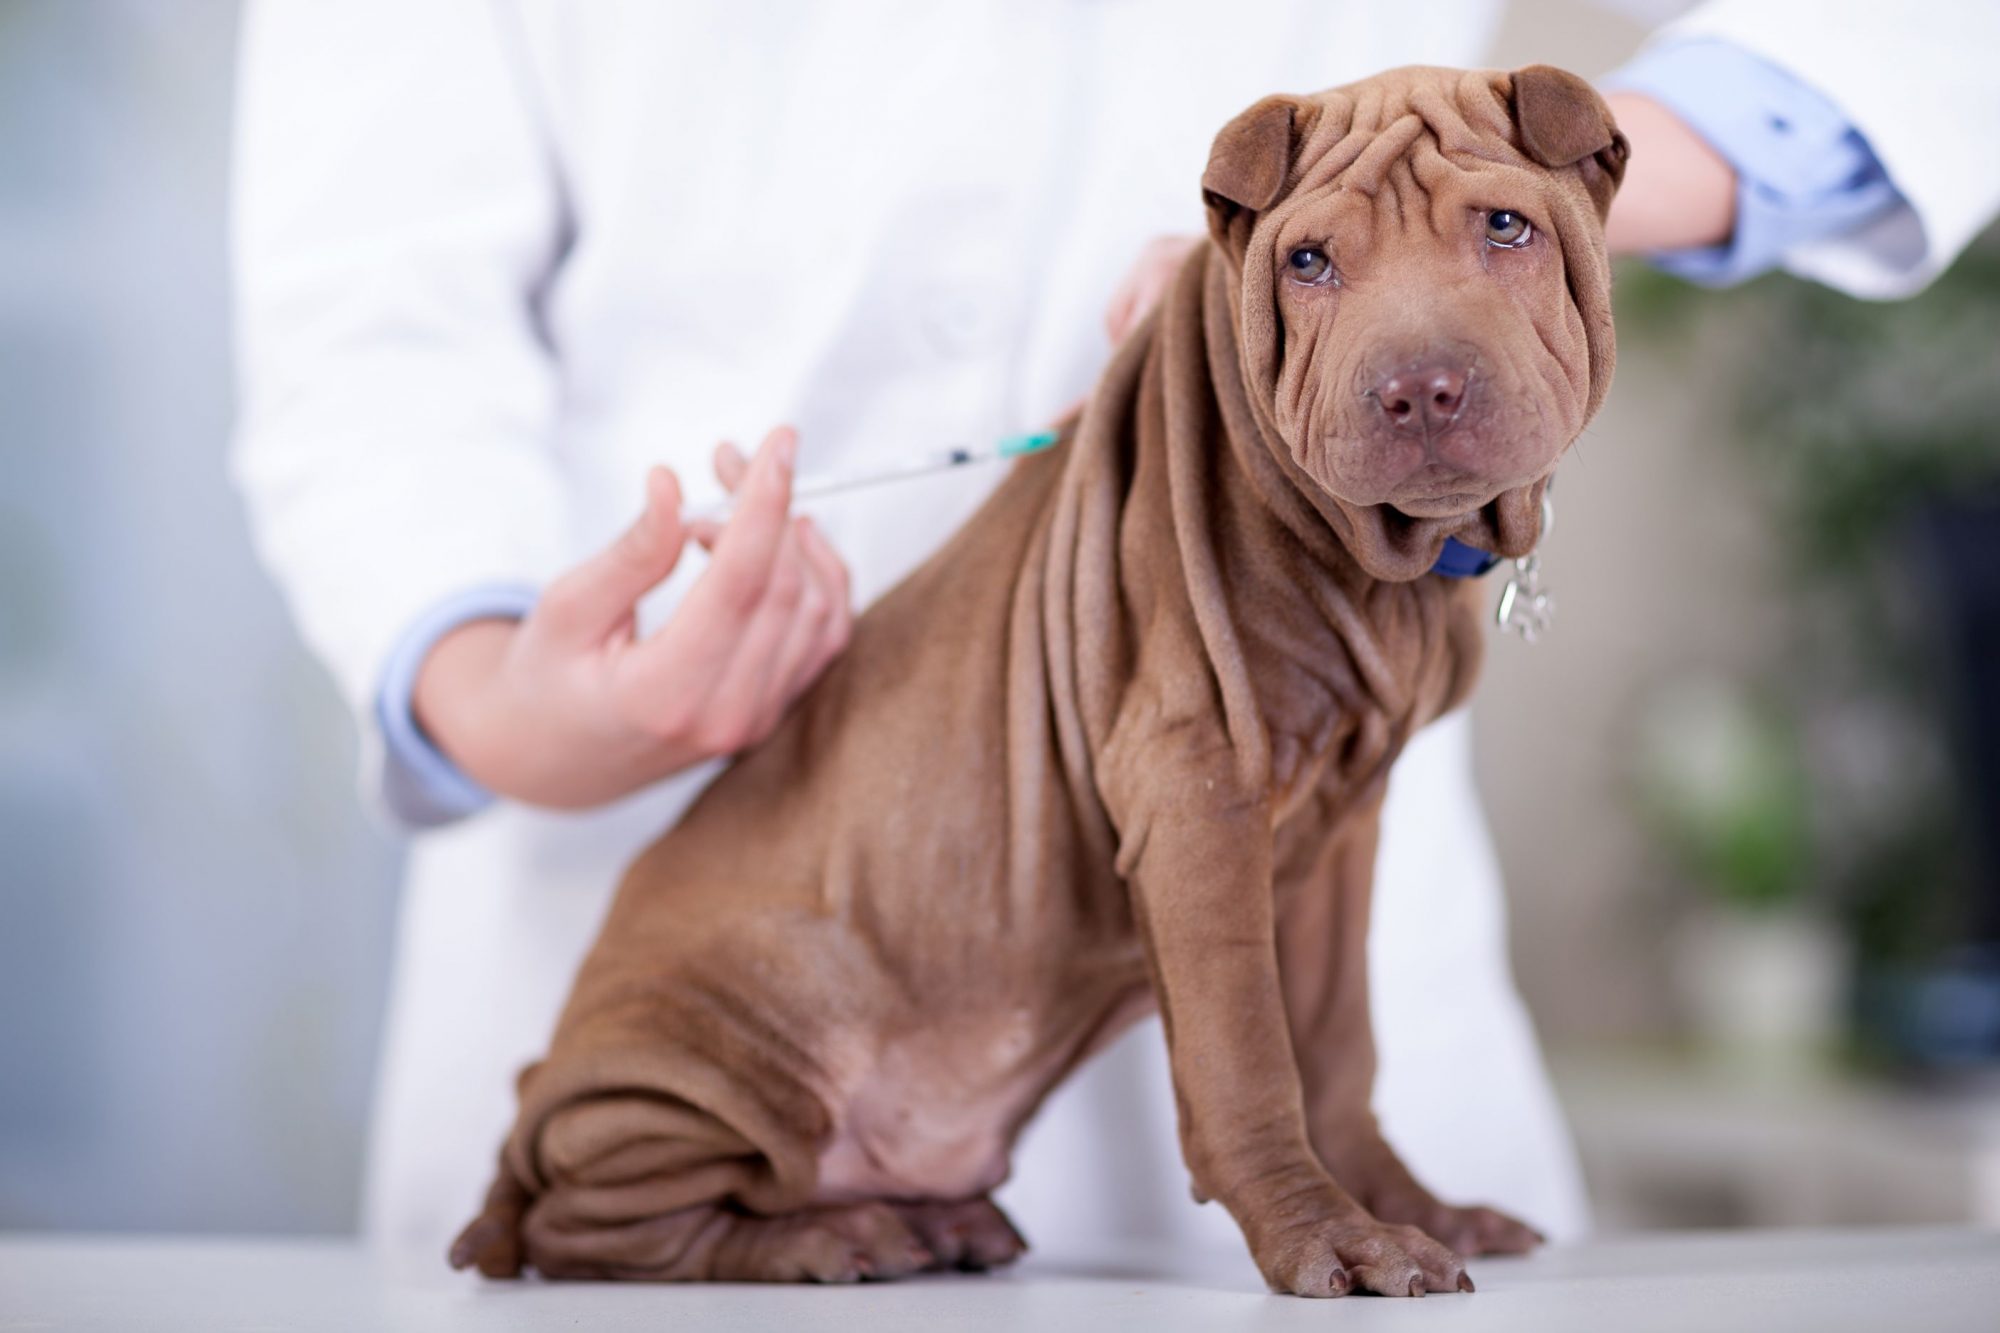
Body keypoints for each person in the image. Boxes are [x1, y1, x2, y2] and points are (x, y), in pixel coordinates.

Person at [231, 0, 1999, 1263]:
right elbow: (364, 342)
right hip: (698, 873)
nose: (1409, 329)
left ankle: (1333, 1139)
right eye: (1314, 260)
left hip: (1349, 914)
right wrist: (494, 691)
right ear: (1253, 233)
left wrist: (1615, 176)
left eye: (1504, 237)